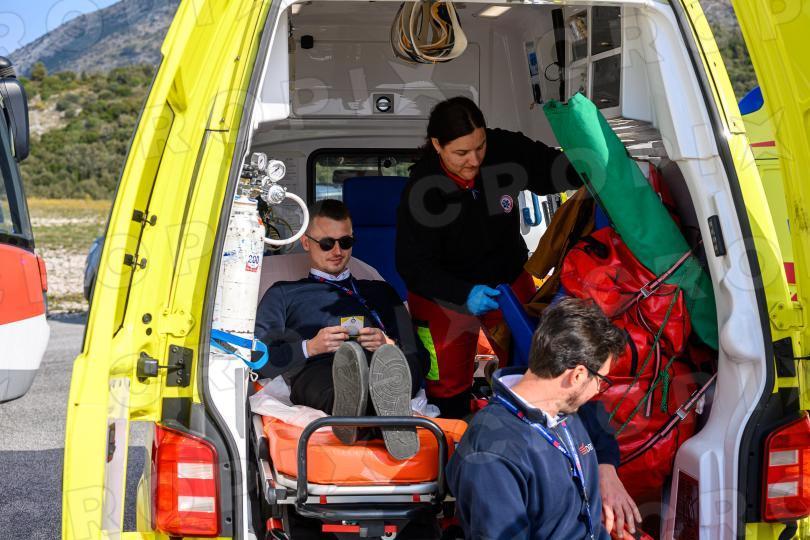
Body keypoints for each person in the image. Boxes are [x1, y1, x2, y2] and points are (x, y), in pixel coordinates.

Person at [395, 95, 584, 419]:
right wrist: (462, 294)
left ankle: (525, 431)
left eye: (480, 147)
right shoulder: (423, 190)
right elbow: (412, 265)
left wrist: (591, 160)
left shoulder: (504, 149)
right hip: (444, 293)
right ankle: (452, 435)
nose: (474, 160)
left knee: (535, 362)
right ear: (437, 145)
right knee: (447, 386)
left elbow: (554, 170)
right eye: (461, 153)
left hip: (506, 278)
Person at [254, 199, 428, 460]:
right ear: (306, 243)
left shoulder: (380, 291)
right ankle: (379, 414)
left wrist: (388, 344)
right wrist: (310, 347)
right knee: (337, 375)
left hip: (385, 364)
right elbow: (259, 359)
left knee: (401, 362)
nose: (337, 251)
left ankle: (364, 413)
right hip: (322, 368)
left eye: (345, 242)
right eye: (327, 243)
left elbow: (421, 356)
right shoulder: (284, 294)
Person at [447, 298, 633, 539]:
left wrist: (606, 467)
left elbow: (599, 429)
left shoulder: (564, 409)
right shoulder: (492, 453)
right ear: (577, 375)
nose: (599, 389)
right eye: (601, 380)